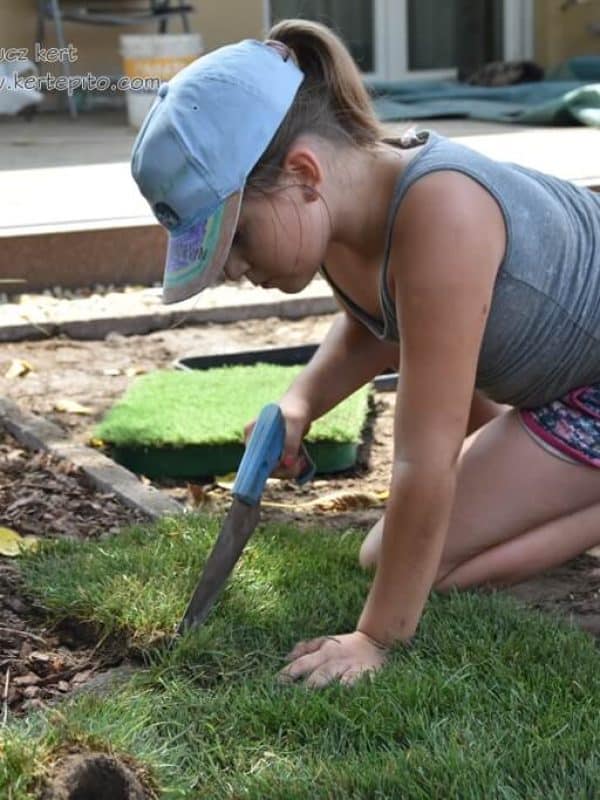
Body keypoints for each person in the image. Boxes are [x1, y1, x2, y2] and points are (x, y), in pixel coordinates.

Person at [131, 19, 600, 689]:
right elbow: (380, 324)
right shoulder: (354, 208)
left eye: (237, 238)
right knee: (432, 529)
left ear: (302, 173)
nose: (231, 268)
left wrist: (375, 636)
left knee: (408, 560)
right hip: (564, 371)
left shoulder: (442, 211)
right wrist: (301, 402)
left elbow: (422, 459)